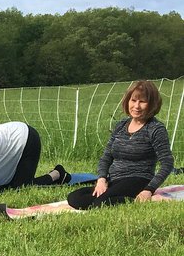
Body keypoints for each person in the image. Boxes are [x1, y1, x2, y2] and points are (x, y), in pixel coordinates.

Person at [67, 81, 174, 210]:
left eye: (142, 102)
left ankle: (144, 199)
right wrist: (101, 179)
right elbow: (106, 157)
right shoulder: (121, 125)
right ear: (127, 101)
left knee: (100, 204)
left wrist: (149, 189)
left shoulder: (155, 129)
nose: (136, 106)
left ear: (152, 104)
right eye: (133, 100)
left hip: (139, 180)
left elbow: (167, 163)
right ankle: (122, 198)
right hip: (115, 180)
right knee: (75, 198)